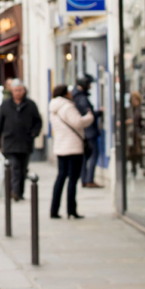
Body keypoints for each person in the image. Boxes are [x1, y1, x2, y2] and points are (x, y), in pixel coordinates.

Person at [0, 79, 42, 200]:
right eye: (15, 90)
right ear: (12, 91)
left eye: (20, 90)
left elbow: (38, 121)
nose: (18, 93)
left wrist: (34, 133)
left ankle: (19, 193)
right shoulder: (6, 105)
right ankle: (14, 191)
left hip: (26, 142)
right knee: (15, 167)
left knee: (23, 169)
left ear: (24, 90)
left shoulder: (30, 104)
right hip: (10, 142)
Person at [49, 84, 93, 219]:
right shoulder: (67, 106)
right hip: (73, 147)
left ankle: (54, 209)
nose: (71, 94)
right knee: (73, 179)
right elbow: (78, 122)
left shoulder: (53, 108)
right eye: (68, 91)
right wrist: (90, 117)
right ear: (64, 93)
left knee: (61, 177)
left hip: (60, 146)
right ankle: (71, 210)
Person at [73, 75, 102, 187]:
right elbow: (88, 114)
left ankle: (85, 179)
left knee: (85, 157)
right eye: (89, 84)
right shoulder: (82, 98)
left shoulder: (77, 96)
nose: (90, 86)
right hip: (89, 131)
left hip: (84, 132)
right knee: (93, 154)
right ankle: (88, 179)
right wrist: (99, 112)